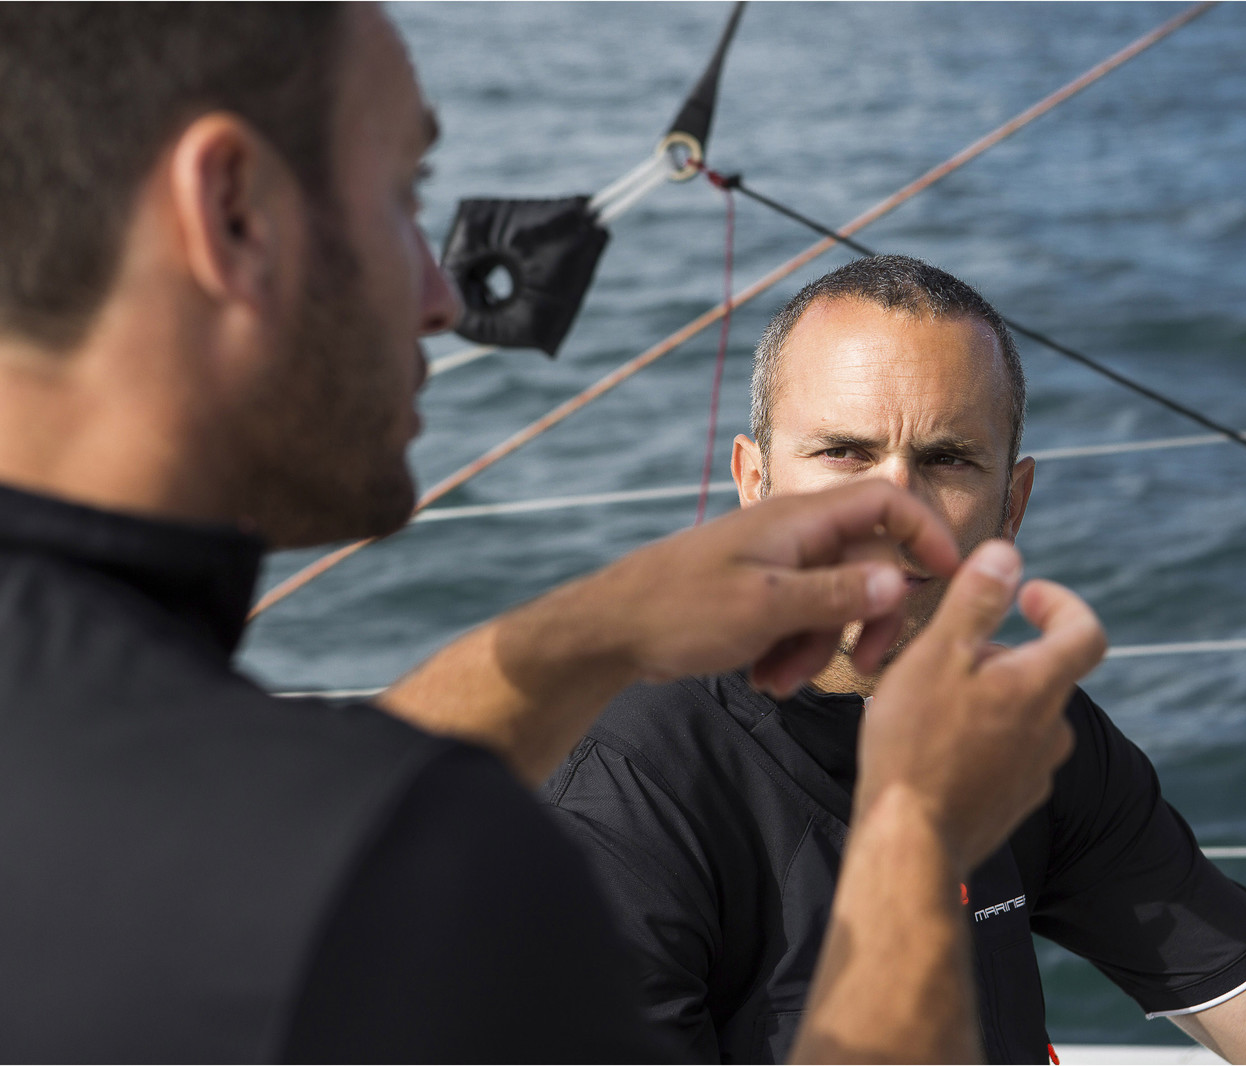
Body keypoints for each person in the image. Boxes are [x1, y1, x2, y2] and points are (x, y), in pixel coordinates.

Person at [0, 7, 1108, 1062]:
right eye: (403, 195)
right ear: (234, 210)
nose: (443, 294)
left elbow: (229, 850)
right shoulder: (382, 865)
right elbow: (316, 853)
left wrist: (598, 632)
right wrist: (914, 832)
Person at [542, 255, 1246, 1064]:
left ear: (1013, 503)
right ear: (753, 482)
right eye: (842, 452)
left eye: (949, 461)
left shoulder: (1030, 729)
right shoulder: (626, 795)